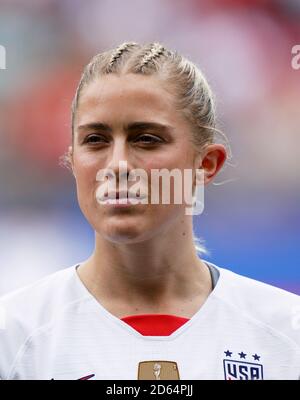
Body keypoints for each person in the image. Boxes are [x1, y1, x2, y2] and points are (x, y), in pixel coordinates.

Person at [0, 42, 299, 381]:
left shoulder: (286, 336)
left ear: (206, 163)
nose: (118, 165)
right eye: (95, 140)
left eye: (146, 139)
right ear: (71, 161)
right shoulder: (14, 336)